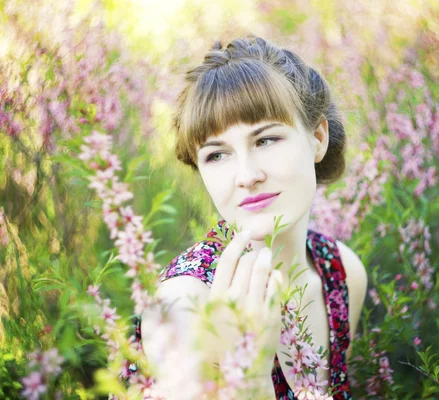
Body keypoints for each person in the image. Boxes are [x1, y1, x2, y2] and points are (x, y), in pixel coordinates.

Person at [139, 35, 367, 400]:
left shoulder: (341, 274)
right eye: (217, 155)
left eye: (265, 140)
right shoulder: (185, 304)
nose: (245, 175)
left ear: (318, 138)